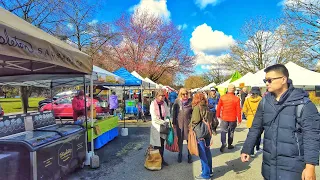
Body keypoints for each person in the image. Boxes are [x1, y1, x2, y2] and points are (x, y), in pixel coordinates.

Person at [240, 64, 320, 180]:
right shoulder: (265, 102)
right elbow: (256, 128)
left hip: (293, 168)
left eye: (269, 80)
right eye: (265, 80)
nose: (266, 83)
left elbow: (312, 136)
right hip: (269, 166)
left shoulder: (304, 104)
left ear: (283, 79)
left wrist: (310, 166)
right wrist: (247, 148)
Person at [190, 92, 213, 180]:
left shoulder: (197, 107)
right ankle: (209, 171)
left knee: (202, 154)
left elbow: (195, 120)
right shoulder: (206, 106)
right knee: (207, 153)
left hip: (200, 133)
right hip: (207, 132)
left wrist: (190, 125)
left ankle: (205, 175)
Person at [216, 84, 241, 153]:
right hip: (233, 118)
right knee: (231, 131)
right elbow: (238, 109)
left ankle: (223, 143)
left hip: (224, 117)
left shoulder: (222, 97)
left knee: (223, 131)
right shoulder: (236, 98)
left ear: (227, 89)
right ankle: (230, 144)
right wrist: (239, 119)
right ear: (234, 90)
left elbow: (218, 107)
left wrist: (217, 115)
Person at [150, 90, 171, 167]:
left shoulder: (164, 103)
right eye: (160, 95)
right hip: (156, 127)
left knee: (162, 145)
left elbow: (168, 113)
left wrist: (168, 120)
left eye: (163, 96)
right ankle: (156, 161)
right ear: (156, 96)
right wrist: (163, 122)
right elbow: (154, 118)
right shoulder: (153, 104)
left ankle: (162, 159)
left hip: (163, 127)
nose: (162, 97)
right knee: (156, 145)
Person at [172, 88, 193, 163]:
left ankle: (189, 155)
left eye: (186, 94)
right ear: (180, 94)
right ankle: (180, 154)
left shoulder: (190, 101)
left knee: (189, 140)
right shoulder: (177, 101)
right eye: (183, 94)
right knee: (180, 140)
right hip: (179, 124)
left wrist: (192, 123)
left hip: (188, 124)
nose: (185, 95)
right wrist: (174, 123)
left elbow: (193, 113)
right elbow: (174, 113)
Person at [241, 87, 262, 157]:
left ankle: (252, 151)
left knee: (251, 135)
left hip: (250, 119)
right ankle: (258, 147)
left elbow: (244, 110)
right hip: (259, 119)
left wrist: (248, 116)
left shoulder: (247, 100)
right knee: (258, 135)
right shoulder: (261, 100)